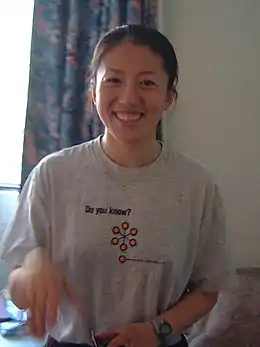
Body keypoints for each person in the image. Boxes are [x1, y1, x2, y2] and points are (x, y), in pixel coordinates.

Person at [0, 25, 232, 347]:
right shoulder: (53, 175)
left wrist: (157, 330)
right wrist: (31, 271)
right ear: (93, 91)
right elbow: (17, 291)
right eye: (114, 80)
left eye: (147, 83)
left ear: (169, 96)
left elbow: (208, 289)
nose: (128, 98)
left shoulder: (197, 187)